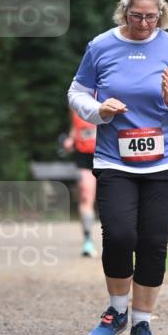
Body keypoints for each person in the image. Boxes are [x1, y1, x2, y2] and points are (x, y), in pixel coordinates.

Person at [67, 0, 168, 335]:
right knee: (121, 235)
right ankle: (116, 311)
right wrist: (98, 110)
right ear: (125, 11)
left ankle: (142, 325)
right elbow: (76, 92)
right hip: (115, 160)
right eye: (137, 16)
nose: (144, 24)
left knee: (154, 242)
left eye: (152, 18)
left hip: (165, 162)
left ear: (162, 15)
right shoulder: (101, 46)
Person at [63, 110, 98, 257]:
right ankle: (88, 240)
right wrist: (71, 139)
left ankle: (124, 241)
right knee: (86, 196)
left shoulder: (111, 93)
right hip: (84, 158)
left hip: (109, 155)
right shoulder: (77, 101)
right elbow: (76, 127)